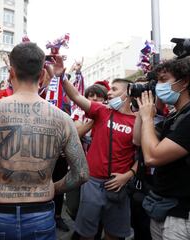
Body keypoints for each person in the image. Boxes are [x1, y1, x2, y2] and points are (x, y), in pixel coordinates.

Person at [0, 42, 89, 240]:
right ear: (42, 75)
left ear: (11, 73)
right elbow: (81, 174)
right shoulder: (63, 119)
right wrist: (53, 187)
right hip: (41, 213)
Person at [60, 54, 137, 240]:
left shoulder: (137, 121)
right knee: (86, 233)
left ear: (128, 93)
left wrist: (128, 176)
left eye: (115, 89)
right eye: (109, 89)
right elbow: (76, 96)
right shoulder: (102, 111)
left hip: (118, 186)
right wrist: (62, 77)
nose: (108, 93)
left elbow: (142, 157)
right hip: (92, 182)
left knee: (113, 234)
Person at [137, 57, 190, 239]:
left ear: (184, 82)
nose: (158, 86)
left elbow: (152, 157)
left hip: (182, 215)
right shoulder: (174, 116)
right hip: (163, 207)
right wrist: (142, 113)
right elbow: (139, 141)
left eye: (164, 80)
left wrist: (148, 118)